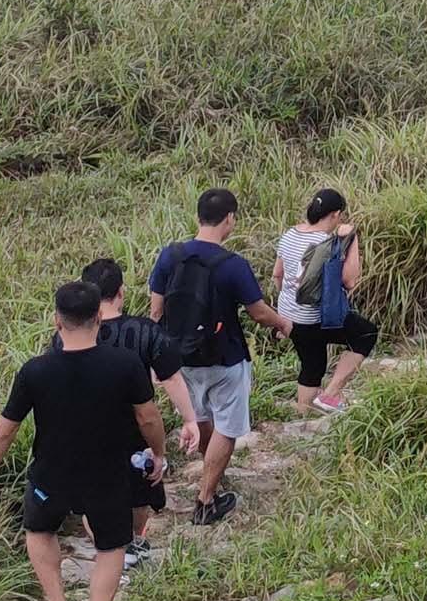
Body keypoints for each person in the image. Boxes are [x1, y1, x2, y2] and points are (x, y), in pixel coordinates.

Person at [0, 274, 168, 601]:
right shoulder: (125, 365)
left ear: (57, 320)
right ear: (98, 317)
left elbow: (4, 431)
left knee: (39, 529)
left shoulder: (35, 370)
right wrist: (157, 454)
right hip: (107, 473)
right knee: (111, 547)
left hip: (51, 473)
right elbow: (148, 419)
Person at [148, 189, 267, 526]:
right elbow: (257, 312)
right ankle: (205, 499)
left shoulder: (169, 256)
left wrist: (155, 356)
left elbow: (156, 310)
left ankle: (209, 474)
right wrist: (284, 323)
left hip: (181, 358)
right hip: (225, 358)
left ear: (198, 216)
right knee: (227, 427)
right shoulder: (233, 265)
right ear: (229, 218)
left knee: (198, 415)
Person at [83, 256, 192, 561]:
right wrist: (189, 419)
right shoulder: (143, 331)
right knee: (141, 488)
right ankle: (130, 546)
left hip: (88, 429)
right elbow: (171, 377)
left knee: (93, 497)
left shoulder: (71, 334)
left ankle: (111, 548)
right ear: (121, 291)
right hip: (136, 428)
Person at [278, 189, 374, 413]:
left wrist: (283, 315)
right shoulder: (327, 243)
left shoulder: (289, 235)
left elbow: (278, 274)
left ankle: (304, 414)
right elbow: (350, 281)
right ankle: (330, 394)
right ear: (335, 214)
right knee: (365, 334)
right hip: (313, 319)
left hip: (289, 317)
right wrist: (352, 239)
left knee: (312, 363)